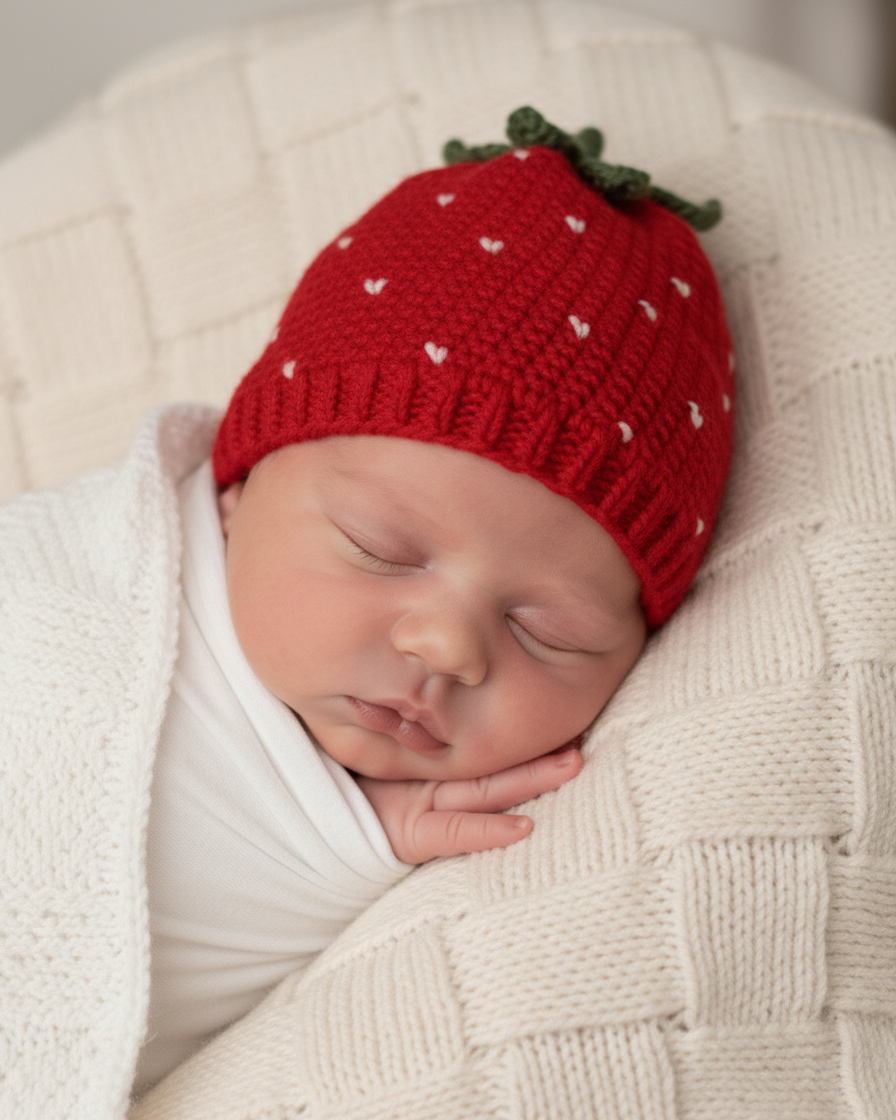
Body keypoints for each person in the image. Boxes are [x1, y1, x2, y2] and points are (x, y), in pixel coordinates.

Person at [1, 107, 735, 1101]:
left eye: (545, 633)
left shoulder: (418, 837)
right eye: (380, 551)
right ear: (236, 495)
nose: (447, 646)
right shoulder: (60, 594)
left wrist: (361, 844)